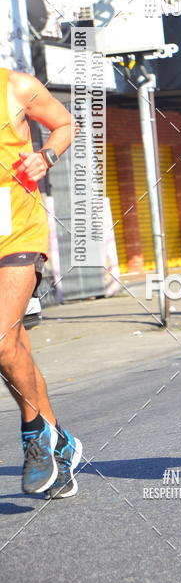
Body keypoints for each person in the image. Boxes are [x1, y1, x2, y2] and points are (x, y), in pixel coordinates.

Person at [0, 68, 82, 498]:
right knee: (14, 348)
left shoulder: (16, 87)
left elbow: (65, 124)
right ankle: (60, 444)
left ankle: (34, 435)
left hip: (16, 229)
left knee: (1, 340)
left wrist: (46, 155)